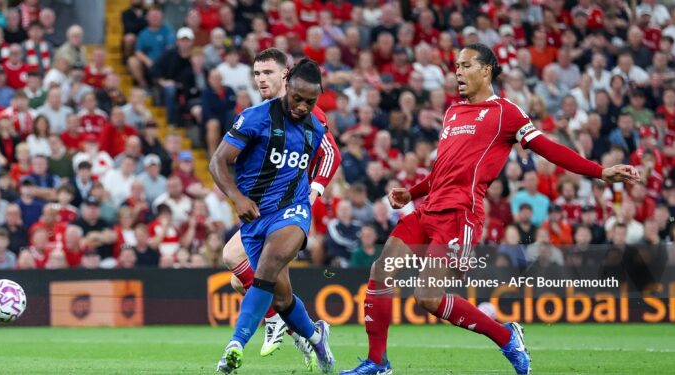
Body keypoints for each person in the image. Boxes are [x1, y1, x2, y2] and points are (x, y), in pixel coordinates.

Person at [341, 44, 640, 375]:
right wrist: (411, 193)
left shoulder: (506, 113)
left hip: (460, 215)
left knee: (427, 297)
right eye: (456, 65)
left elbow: (549, 149)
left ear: (486, 70)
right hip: (428, 210)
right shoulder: (453, 112)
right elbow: (444, 170)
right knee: (381, 272)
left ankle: (505, 335)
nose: (457, 71)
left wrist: (599, 172)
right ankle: (378, 362)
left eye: (466, 65)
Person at [218, 48, 341, 367]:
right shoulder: (256, 115)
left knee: (236, 259)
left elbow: (331, 155)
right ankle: (311, 334)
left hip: (291, 211)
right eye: (257, 74)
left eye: (268, 73)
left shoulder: (307, 111)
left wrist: (312, 193)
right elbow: (226, 160)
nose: (261, 79)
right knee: (247, 282)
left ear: (285, 75)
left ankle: (262, 328)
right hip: (260, 214)